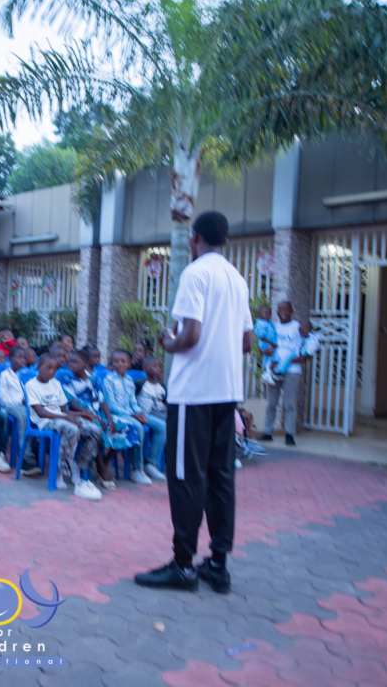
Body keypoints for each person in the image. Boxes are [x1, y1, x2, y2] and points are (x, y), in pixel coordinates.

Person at [136, 211, 254, 594]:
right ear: (225, 240)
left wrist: (167, 343)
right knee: (221, 477)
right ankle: (218, 565)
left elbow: (190, 336)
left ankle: (183, 566)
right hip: (227, 392)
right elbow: (247, 342)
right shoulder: (237, 279)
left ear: (195, 236)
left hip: (193, 394)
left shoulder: (195, 273)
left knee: (186, 477)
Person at [24, 353, 103, 500]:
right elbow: (40, 412)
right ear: (38, 367)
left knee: (95, 430)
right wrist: (66, 418)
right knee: (72, 429)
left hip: (60, 417)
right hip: (44, 421)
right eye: (48, 368)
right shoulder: (31, 385)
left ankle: (78, 466)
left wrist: (79, 415)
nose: (51, 372)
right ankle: (60, 473)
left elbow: (62, 409)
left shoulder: (55, 384)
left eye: (55, 369)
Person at [103, 350, 167, 484]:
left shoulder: (129, 381)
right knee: (138, 427)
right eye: (116, 361)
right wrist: (133, 415)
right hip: (116, 414)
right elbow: (111, 405)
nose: (119, 364)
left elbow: (133, 403)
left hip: (132, 413)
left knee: (162, 426)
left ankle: (151, 463)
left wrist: (140, 413)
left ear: (129, 364)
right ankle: (137, 469)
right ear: (112, 363)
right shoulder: (108, 380)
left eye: (123, 361)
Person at [61, 350, 118, 490]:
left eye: (75, 362)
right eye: (69, 362)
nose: (71, 365)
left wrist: (109, 418)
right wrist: (90, 415)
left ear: (85, 363)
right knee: (96, 428)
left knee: (124, 427)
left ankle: (103, 461)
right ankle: (98, 466)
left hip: (95, 412)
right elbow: (71, 401)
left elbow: (102, 400)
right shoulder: (67, 378)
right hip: (76, 413)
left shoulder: (94, 379)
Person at [260, 301, 303, 446]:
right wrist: (264, 351)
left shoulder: (297, 327)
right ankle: (267, 432)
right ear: (277, 312)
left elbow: (305, 345)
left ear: (291, 311)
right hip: (274, 369)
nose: (283, 311)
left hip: (292, 370)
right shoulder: (273, 327)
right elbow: (263, 345)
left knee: (289, 404)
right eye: (280, 309)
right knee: (271, 403)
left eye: (286, 309)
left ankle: (289, 434)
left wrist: (298, 358)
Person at [0, 346, 39, 476]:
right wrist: (21, 401)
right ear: (10, 359)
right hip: (11, 407)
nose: (22, 360)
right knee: (24, 416)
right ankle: (25, 456)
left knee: (37, 414)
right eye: (19, 357)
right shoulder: (5, 375)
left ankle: (34, 449)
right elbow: (3, 400)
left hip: (26, 405)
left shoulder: (26, 374)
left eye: (24, 358)